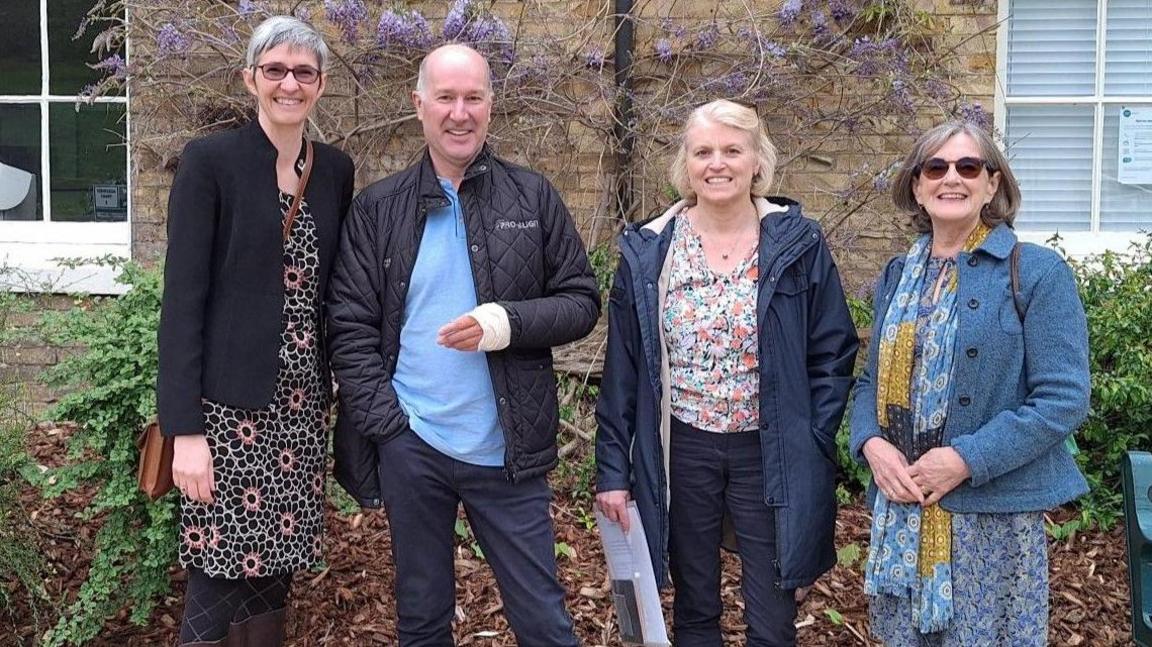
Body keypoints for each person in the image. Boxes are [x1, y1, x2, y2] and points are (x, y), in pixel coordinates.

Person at [326, 43, 599, 646]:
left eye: (473, 97)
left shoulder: (531, 197)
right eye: (445, 97)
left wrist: (505, 323)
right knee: (421, 619)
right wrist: (389, 427)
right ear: (419, 105)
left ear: (491, 107)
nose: (459, 112)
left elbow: (582, 300)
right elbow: (348, 325)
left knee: (543, 619)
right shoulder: (379, 208)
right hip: (413, 446)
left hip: (506, 447)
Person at [595, 99, 859, 646]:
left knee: (772, 614)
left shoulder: (795, 243)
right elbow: (623, 371)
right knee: (695, 607)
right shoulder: (650, 250)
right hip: (683, 448)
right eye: (704, 151)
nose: (718, 163)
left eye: (732, 150)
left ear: (757, 161)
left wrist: (811, 435)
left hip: (770, 451)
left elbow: (832, 350)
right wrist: (613, 471)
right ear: (685, 165)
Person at [848, 121, 1090, 645]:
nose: (950, 178)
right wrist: (871, 445)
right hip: (902, 509)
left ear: (992, 184)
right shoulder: (897, 273)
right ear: (917, 186)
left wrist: (965, 459)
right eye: (935, 167)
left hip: (992, 519)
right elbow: (869, 381)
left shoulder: (1038, 272)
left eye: (968, 166)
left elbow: (1062, 398)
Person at [156, 16, 354, 647]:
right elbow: (183, 302)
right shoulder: (211, 162)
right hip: (226, 414)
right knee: (219, 574)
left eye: (302, 72)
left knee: (274, 572)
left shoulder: (335, 171)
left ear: (320, 85)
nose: (288, 84)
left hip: (299, 411)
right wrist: (185, 429)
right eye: (274, 70)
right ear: (250, 79)